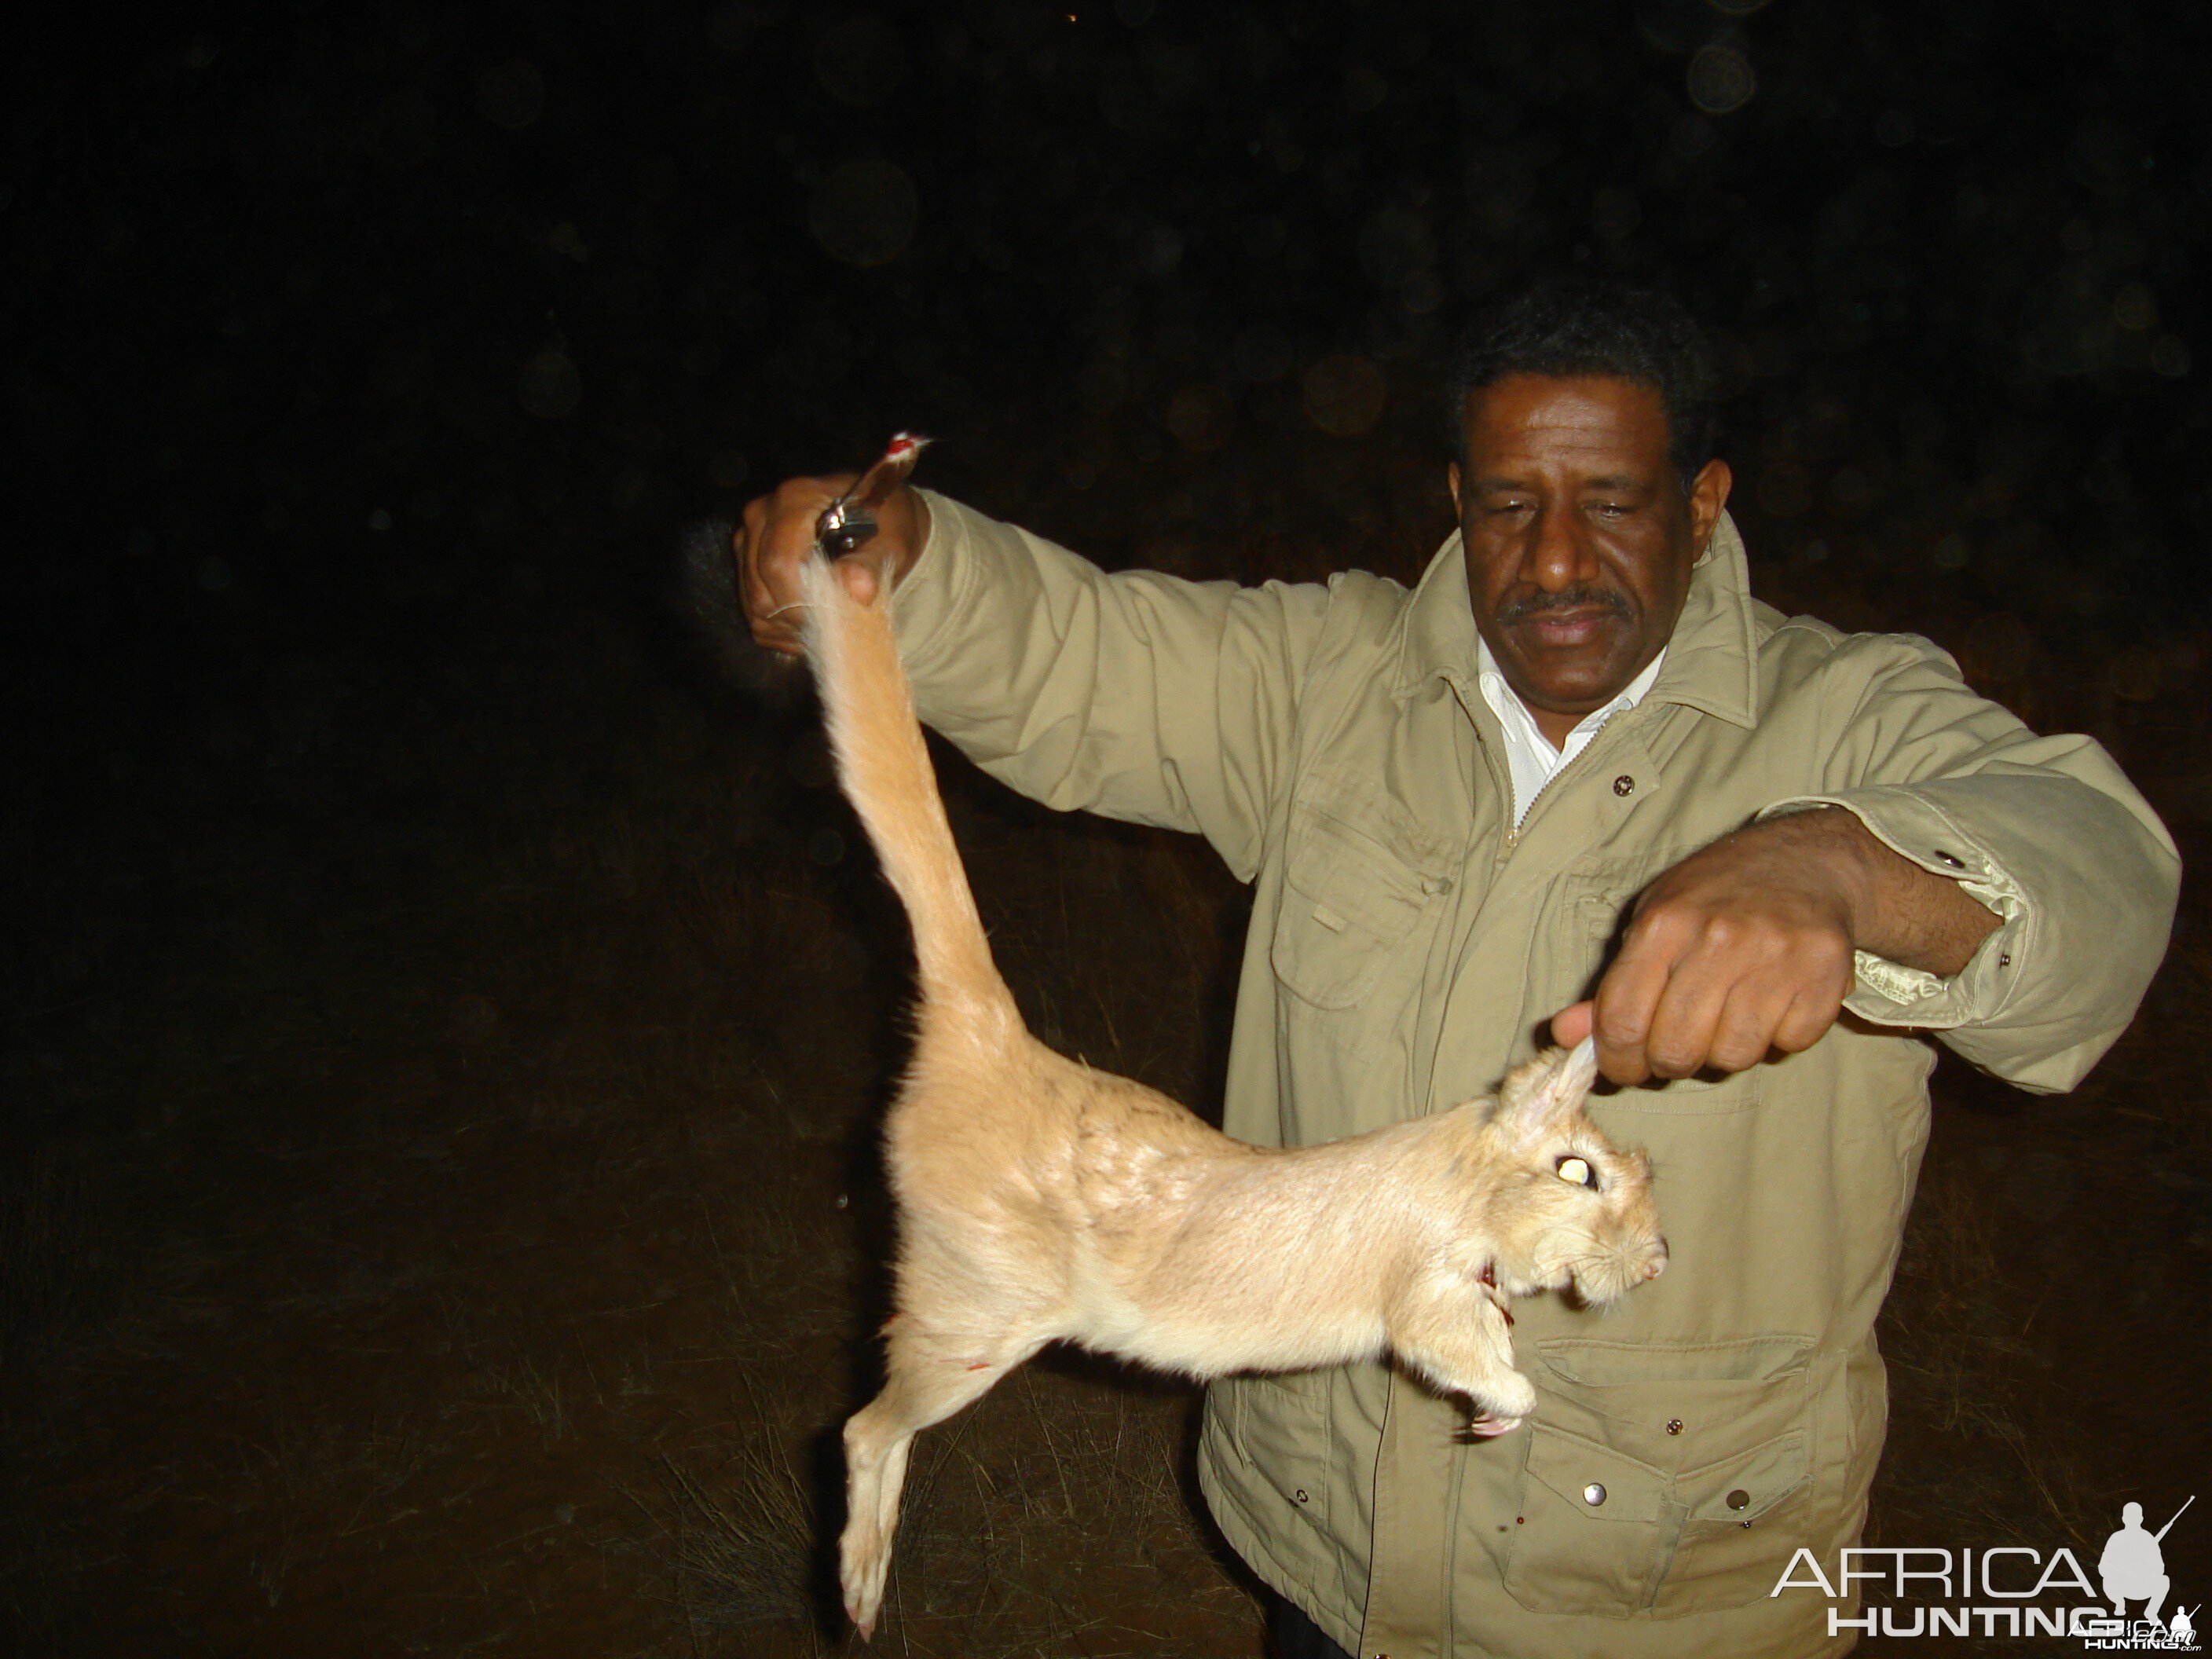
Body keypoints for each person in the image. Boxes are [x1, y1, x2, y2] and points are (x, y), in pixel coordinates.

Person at [733, 280, 2179, 1658]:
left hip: (1663, 1598)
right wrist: (903, 561)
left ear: (1703, 502)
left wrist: (1850, 868)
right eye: (1509, 504)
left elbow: (2100, 880)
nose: (1554, 558)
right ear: (1456, 503)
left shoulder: (1851, 717)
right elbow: (1081, 652)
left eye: (1611, 504)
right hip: (1328, 1553)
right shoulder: (1331, 683)